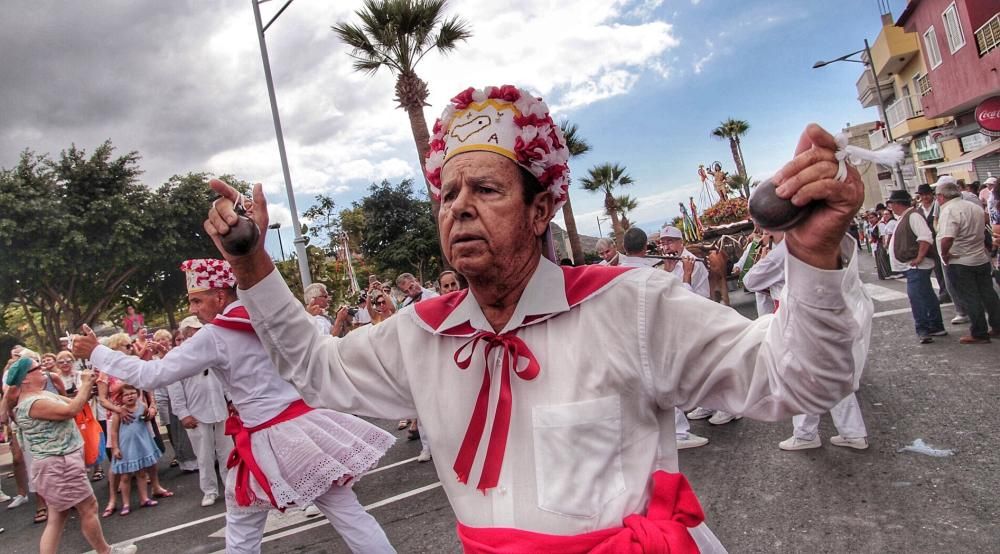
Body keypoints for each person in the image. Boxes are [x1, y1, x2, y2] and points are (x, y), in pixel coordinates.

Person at [204, 84, 873, 552]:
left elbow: (798, 382)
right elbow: (316, 371)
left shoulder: (630, 305)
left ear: (538, 210)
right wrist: (251, 265)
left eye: (486, 189)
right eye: (448, 193)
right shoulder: (420, 334)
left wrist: (813, 256)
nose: (459, 206)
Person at [72, 258, 395, 554]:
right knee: (348, 515)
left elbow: (152, 374)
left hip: (269, 437)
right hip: (303, 425)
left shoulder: (216, 335)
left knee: (242, 530)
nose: (194, 309)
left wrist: (98, 352)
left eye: (198, 300)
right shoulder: (271, 318)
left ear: (221, 297)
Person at [6, 356, 136, 554]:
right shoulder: (33, 403)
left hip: (57, 464)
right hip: (60, 464)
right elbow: (71, 409)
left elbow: (78, 402)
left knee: (58, 517)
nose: (43, 370)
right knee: (88, 507)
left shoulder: (40, 395)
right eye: (37, 368)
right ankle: (107, 552)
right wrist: (85, 383)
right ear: (25, 378)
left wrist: (88, 384)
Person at [619, 227, 714, 445]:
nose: (666, 247)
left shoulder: (688, 262)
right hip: (660, 330)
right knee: (670, 377)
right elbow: (672, 299)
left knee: (697, 368)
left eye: (671, 241)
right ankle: (679, 432)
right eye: (663, 242)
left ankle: (715, 407)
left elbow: (689, 300)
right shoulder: (653, 271)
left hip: (684, 322)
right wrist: (676, 274)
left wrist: (673, 274)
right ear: (646, 248)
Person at [168, 316, 231, 507]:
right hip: (196, 412)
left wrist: (231, 399)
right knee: (204, 455)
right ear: (186, 334)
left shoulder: (212, 351)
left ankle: (231, 487)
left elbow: (225, 378)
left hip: (220, 408)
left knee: (227, 452)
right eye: (193, 332)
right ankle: (210, 491)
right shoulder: (178, 357)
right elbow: (175, 389)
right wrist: (183, 413)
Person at [936, 181, 1000, 343]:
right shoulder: (974, 207)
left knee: (970, 297)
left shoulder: (950, 210)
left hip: (960, 260)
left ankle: (979, 332)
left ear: (941, 196)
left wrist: (944, 254)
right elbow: (985, 224)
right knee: (988, 294)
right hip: (979, 256)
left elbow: (947, 238)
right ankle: (997, 326)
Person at [885, 189, 946, 343]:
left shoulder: (912, 216)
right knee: (926, 295)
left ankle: (923, 329)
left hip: (916, 265)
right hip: (913, 265)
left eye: (892, 203)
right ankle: (936, 325)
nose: (891, 206)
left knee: (916, 297)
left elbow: (925, 237)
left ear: (897, 203)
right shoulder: (907, 216)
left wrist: (919, 257)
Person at [109, 383, 162, 515]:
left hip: (139, 445)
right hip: (126, 448)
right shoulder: (118, 412)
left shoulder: (142, 406)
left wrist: (149, 413)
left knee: (142, 473)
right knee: (125, 477)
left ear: (138, 394)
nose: (130, 396)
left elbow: (146, 419)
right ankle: (126, 503)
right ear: (120, 398)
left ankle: (144, 498)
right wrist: (115, 448)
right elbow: (114, 432)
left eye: (132, 393)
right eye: (126, 395)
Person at [915, 182, 956, 306]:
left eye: (927, 194)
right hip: (928, 244)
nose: (925, 197)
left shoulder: (938, 206)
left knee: (945, 268)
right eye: (922, 195)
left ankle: (949, 292)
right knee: (937, 270)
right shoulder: (918, 210)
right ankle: (944, 292)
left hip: (940, 239)